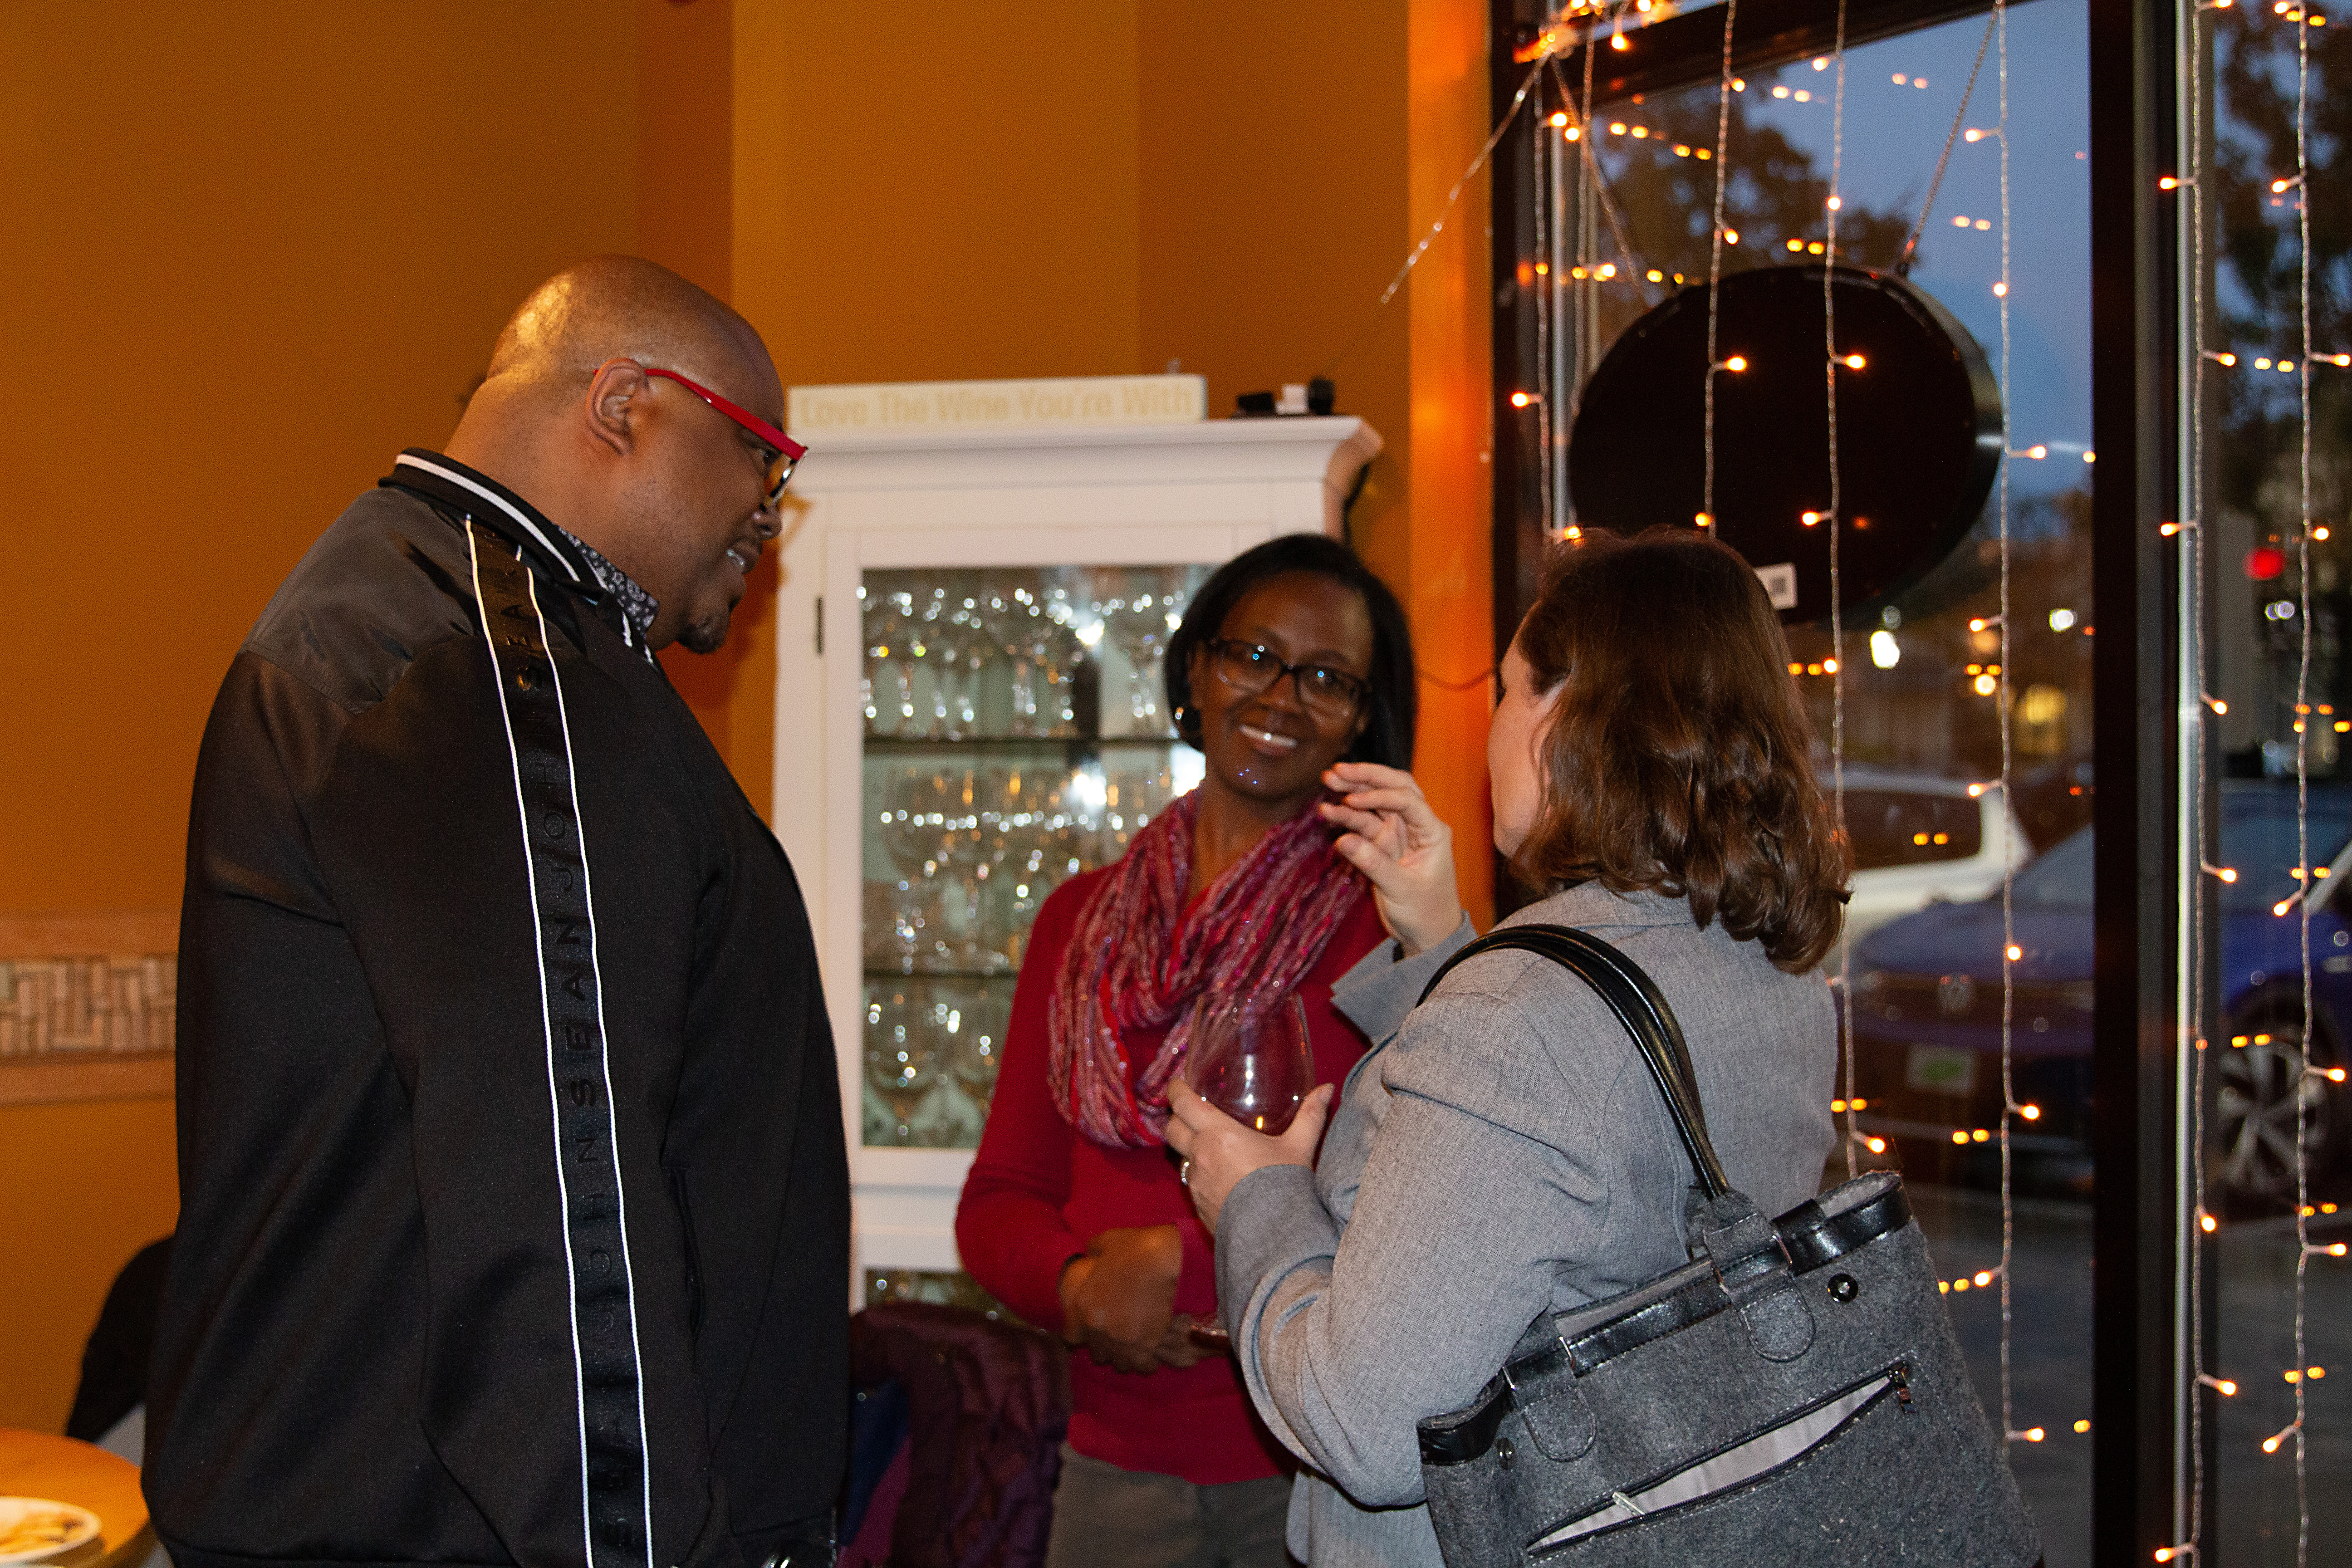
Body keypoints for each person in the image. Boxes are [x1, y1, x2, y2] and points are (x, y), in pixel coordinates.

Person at [148, 257, 848, 1568]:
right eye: (763, 453)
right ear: (626, 400)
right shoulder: (487, 668)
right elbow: (561, 1206)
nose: (769, 508)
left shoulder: (464, 629)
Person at [1167, 527, 1847, 1566]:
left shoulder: (1522, 1014)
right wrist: (1440, 943)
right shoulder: (1772, 969)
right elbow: (1560, 1158)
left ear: (1562, 716)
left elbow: (1372, 1428)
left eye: (1505, 690)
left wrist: (1259, 1199)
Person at [954, 534, 1448, 1568]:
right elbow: (999, 1197)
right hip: (1108, 1471)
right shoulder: (1078, 922)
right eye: (1251, 656)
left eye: (1326, 678)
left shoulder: (1386, 934)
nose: (1279, 695)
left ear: (1363, 716)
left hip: (1311, 1471)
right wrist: (1084, 1288)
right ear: (1196, 669)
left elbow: (1424, 1222)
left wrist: (1185, 1265)